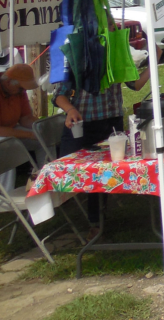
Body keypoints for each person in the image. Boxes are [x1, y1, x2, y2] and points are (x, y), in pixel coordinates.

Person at [56, 37, 157, 238]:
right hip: (85, 124)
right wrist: (70, 109)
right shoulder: (78, 58)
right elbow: (60, 95)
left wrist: (154, 62)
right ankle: (93, 220)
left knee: (106, 171)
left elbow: (135, 84)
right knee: (84, 170)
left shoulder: (115, 58)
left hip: (111, 121)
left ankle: (97, 218)